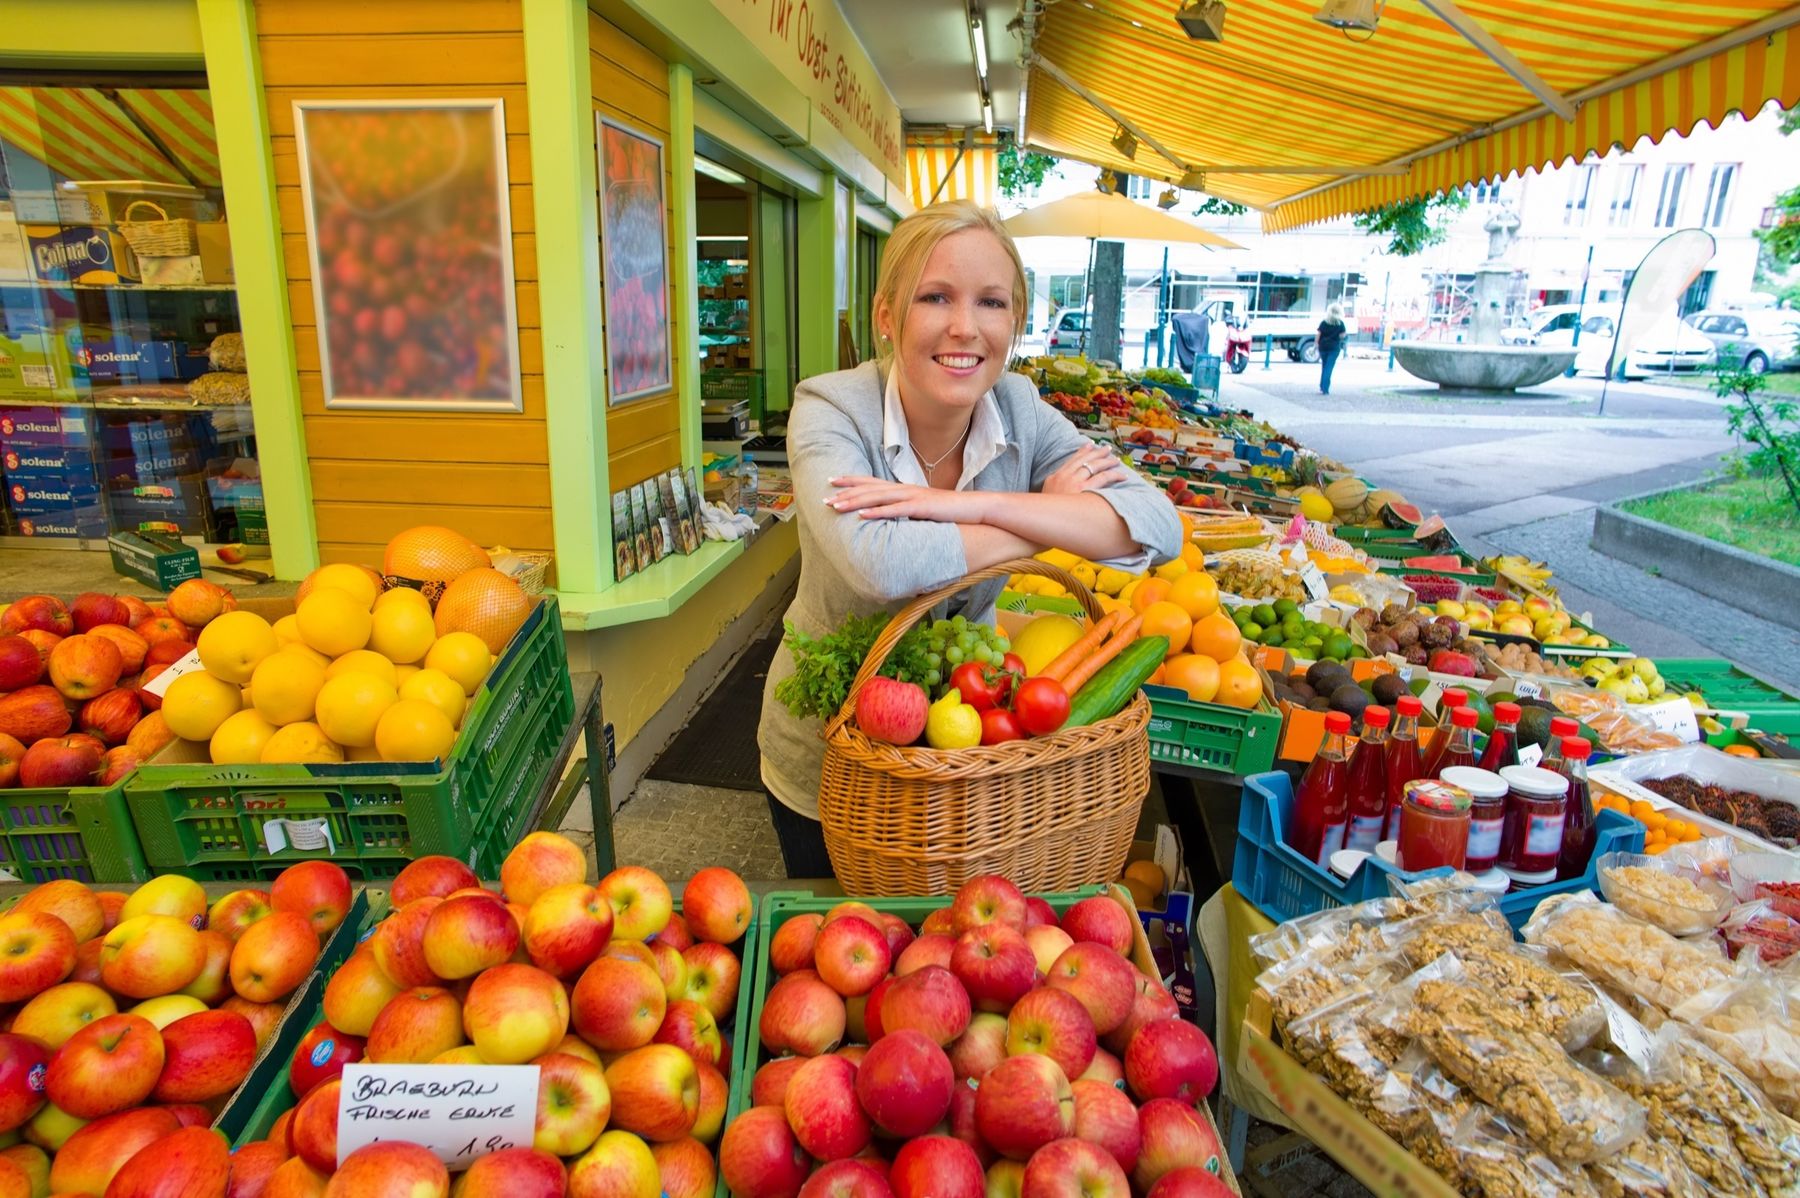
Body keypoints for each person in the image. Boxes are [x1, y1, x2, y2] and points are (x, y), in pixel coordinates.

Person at [756, 200, 1185, 878]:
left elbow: (1158, 528)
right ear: (888, 317)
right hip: (830, 758)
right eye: (935, 297)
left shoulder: (1020, 408)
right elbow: (882, 566)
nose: (966, 327)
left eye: (992, 302)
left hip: (970, 762)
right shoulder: (831, 410)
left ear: (1013, 320)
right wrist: (1044, 517)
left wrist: (964, 504)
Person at [1317, 304, 1347, 394]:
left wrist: (1316, 344)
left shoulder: (1324, 322)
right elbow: (1343, 335)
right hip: (1334, 348)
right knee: (1329, 368)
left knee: (1324, 366)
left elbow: (1318, 334)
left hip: (1323, 347)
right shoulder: (1340, 323)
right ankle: (1325, 388)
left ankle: (1322, 386)